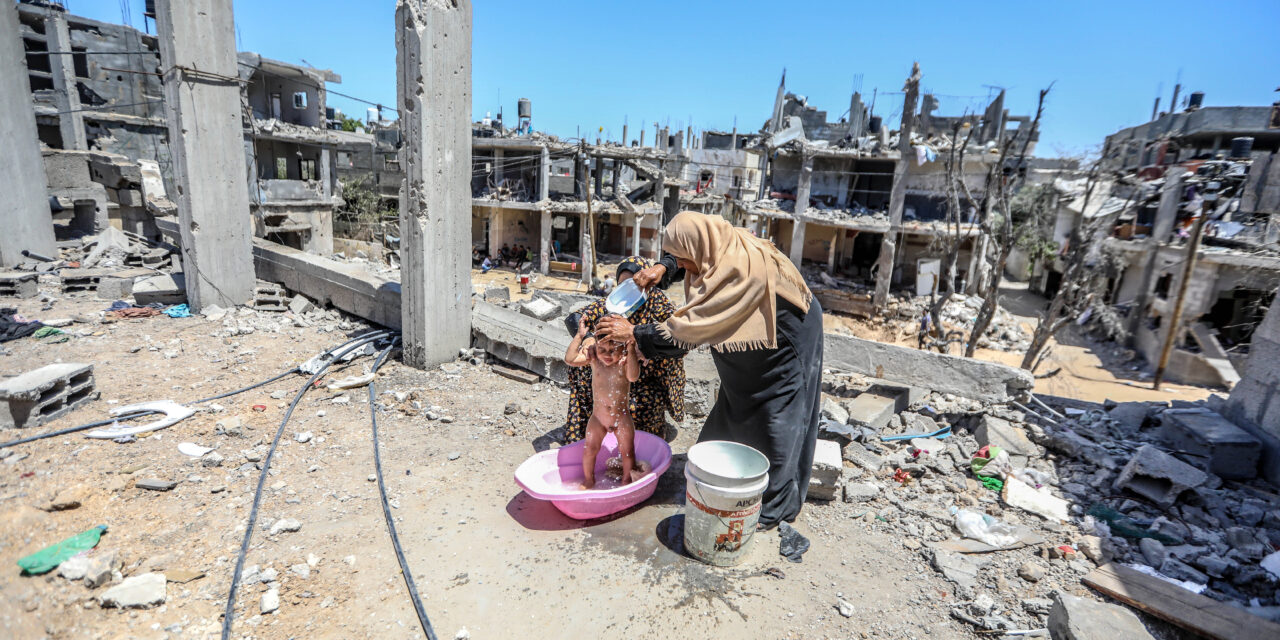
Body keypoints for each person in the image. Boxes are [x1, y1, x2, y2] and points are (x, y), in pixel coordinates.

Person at [596, 212, 823, 529]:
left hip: (782, 339)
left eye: (682, 259)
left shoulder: (739, 277)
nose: (684, 265)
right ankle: (719, 475)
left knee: (775, 416)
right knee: (735, 403)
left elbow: (685, 334)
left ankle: (769, 507)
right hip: (753, 345)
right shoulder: (722, 244)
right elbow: (690, 257)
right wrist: (664, 268)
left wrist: (633, 334)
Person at [562, 256, 685, 444]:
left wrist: (645, 348)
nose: (627, 291)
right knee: (584, 371)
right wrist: (586, 339)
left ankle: (648, 438)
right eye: (622, 285)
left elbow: (679, 340)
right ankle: (583, 432)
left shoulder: (658, 303)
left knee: (643, 403)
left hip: (647, 373)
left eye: (633, 284)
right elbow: (577, 317)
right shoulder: (615, 303)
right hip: (616, 369)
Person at [564, 314, 640, 489]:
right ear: (596, 346)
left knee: (627, 453)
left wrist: (631, 351)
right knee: (590, 449)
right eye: (602, 349)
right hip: (598, 418)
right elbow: (570, 359)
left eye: (613, 350)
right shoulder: (595, 361)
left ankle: (626, 481)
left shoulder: (624, 362)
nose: (607, 355)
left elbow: (633, 377)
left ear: (623, 347)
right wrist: (580, 337)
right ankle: (589, 480)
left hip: (621, 417)